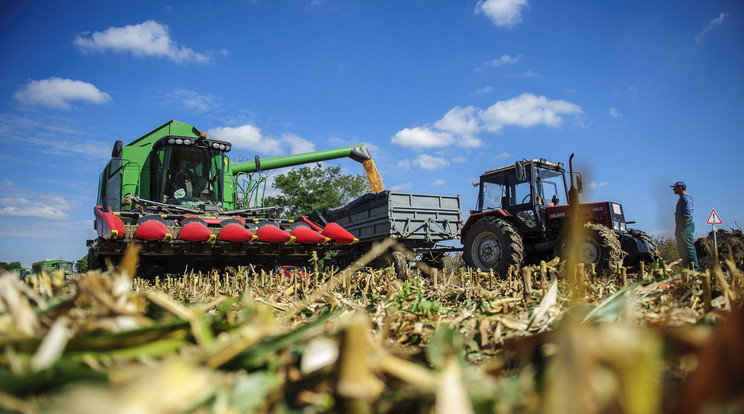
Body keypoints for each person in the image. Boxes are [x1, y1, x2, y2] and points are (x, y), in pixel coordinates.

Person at [671, 181, 698, 270]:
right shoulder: (681, 198)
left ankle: (694, 269)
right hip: (681, 226)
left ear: (681, 187)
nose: (673, 189)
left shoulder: (686, 199)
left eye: (675, 187)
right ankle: (686, 268)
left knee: (688, 247)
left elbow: (687, 215)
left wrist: (682, 226)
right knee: (682, 248)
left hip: (686, 226)